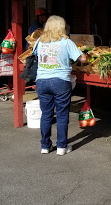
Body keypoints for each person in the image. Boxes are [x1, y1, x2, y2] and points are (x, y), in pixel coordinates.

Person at [34, 15, 87, 155]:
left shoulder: (39, 41)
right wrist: (84, 54)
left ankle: (45, 146)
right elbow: (82, 58)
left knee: (46, 114)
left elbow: (34, 55)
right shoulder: (66, 42)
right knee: (62, 115)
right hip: (60, 81)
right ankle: (62, 147)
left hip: (41, 81)